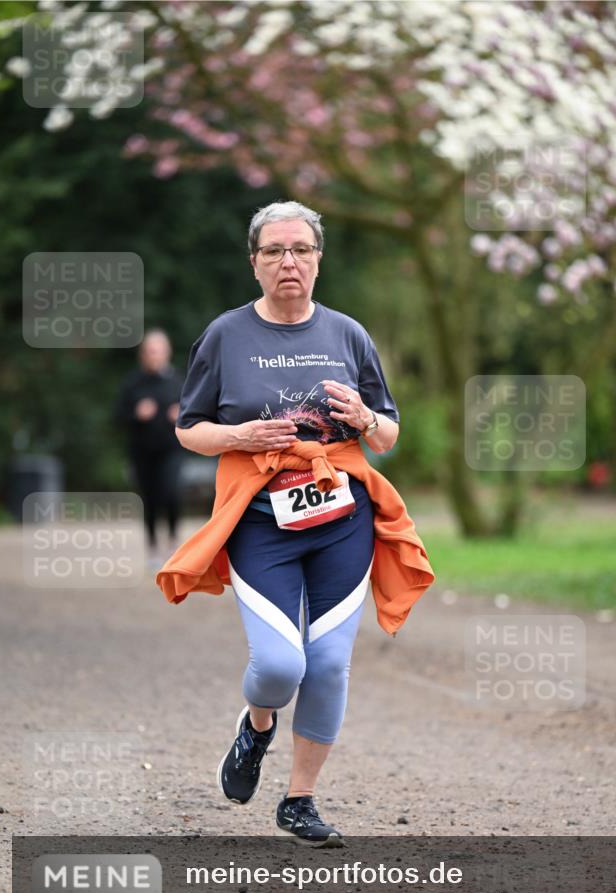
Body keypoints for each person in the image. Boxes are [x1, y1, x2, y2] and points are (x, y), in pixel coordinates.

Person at [160, 201, 434, 847]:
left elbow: (389, 433)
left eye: (301, 250)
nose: (289, 262)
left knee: (329, 665)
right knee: (281, 667)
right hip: (260, 522)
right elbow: (187, 430)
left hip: (343, 518)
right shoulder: (225, 335)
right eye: (275, 251)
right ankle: (256, 728)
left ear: (317, 260)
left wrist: (365, 420)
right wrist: (240, 434)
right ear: (254, 263)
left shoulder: (347, 334)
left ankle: (299, 801)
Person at [115, 329, 184, 565]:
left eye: (158, 350)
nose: (154, 355)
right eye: (149, 351)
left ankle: (173, 540)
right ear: (142, 354)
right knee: (150, 498)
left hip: (171, 449)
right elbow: (117, 417)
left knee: (171, 492)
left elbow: (197, 414)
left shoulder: (178, 382)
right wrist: (136, 414)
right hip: (142, 451)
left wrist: (182, 415)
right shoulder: (132, 383)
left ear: (167, 352)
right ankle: (153, 546)